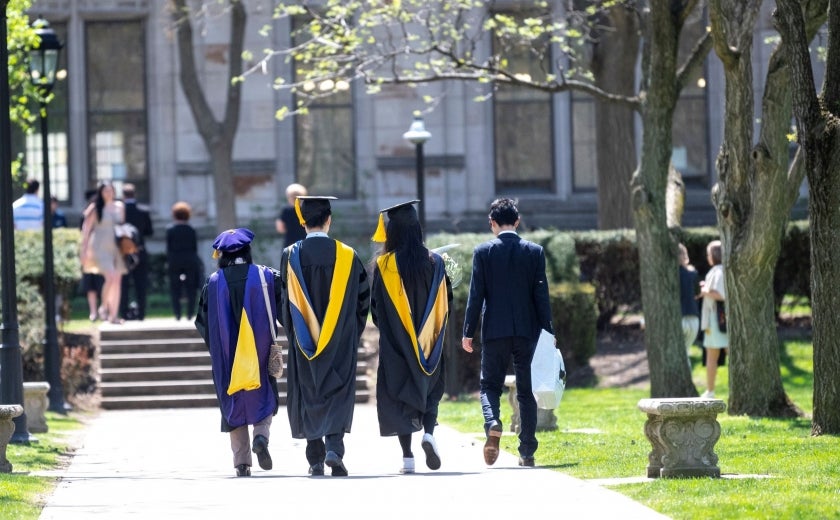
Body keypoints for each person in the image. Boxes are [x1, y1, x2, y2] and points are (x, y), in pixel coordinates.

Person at [278, 195, 370, 477]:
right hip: (340, 339)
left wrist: (296, 332)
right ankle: (335, 448)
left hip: (304, 340)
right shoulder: (348, 255)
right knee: (337, 390)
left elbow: (285, 302)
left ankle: (315, 458)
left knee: (309, 391)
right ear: (329, 219)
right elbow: (362, 301)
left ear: (302, 221)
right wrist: (351, 333)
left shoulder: (290, 255)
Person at [461, 197, 553, 468]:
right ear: (518, 221)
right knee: (526, 391)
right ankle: (527, 451)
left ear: (492, 223)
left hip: (494, 330)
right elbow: (542, 296)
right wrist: (549, 331)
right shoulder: (534, 252)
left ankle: (493, 422)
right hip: (527, 331)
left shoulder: (483, 252)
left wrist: (468, 331)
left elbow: (475, 296)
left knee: (489, 385)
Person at [369, 200, 452, 474]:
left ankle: (407, 457)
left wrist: (394, 333)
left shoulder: (384, 266)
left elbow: (377, 310)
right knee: (430, 389)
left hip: (397, 345)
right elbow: (446, 303)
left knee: (400, 395)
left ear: (391, 233)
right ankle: (429, 433)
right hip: (430, 341)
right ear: (417, 228)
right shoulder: (436, 263)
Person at [195, 228, 282, 477]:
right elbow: (283, 307)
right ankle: (261, 437)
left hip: (227, 354)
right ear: (248, 250)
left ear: (221, 255)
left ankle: (242, 463)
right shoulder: (265, 276)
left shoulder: (212, 283)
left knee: (232, 398)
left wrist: (220, 347)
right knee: (263, 392)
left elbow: (202, 321)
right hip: (260, 350)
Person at [80, 181, 126, 324]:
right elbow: (86, 231)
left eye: (110, 190)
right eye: (105, 191)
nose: (108, 193)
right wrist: (84, 250)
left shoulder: (120, 207)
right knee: (111, 277)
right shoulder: (95, 208)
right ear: (100, 192)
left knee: (117, 280)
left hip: (117, 248)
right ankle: (103, 306)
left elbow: (123, 226)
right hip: (99, 246)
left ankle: (113, 315)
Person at [119, 183, 154, 321]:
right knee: (141, 284)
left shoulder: (120, 212)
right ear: (134, 194)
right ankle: (141, 314)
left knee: (123, 284)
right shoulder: (143, 212)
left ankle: (124, 313)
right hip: (139, 251)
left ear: (123, 195)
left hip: (123, 252)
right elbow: (149, 232)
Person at [699, 239, 727, 398]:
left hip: (716, 321)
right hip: (718, 320)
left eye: (709, 254)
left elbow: (720, 295)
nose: (707, 257)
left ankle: (710, 391)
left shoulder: (718, 271)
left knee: (712, 356)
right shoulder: (721, 271)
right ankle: (710, 390)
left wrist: (705, 291)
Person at [166, 201, 202, 321]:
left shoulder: (170, 230)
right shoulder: (192, 229)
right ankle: (190, 314)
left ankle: (177, 314)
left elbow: (169, 248)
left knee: (175, 287)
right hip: (190, 260)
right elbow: (194, 247)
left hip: (175, 260)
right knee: (191, 287)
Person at [678, 243, 700, 367]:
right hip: (694, 320)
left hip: (679, 319)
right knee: (685, 352)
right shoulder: (693, 274)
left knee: (680, 355)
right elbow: (697, 294)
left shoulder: (670, 275)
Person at [275, 183, 308, 248]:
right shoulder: (307, 210)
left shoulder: (286, 211)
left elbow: (280, 228)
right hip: (305, 243)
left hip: (290, 244)